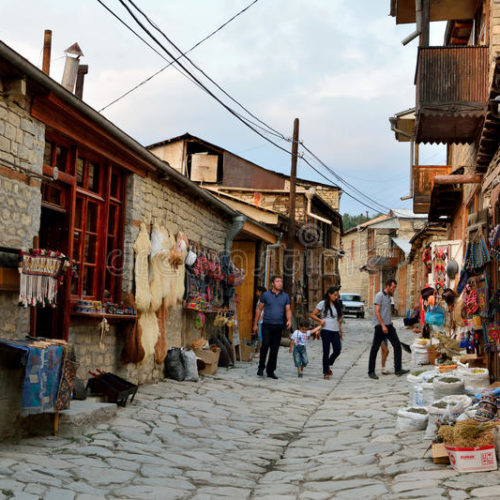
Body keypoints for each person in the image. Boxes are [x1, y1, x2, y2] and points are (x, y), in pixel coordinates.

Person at [368, 279, 409, 379]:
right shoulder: (379, 296)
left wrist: (389, 321)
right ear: (388, 286)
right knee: (375, 348)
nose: (394, 289)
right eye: (393, 287)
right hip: (380, 326)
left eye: (395, 287)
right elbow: (377, 312)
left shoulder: (389, 297)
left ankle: (398, 369)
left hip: (388, 325)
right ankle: (371, 372)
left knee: (397, 345)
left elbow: (387, 311)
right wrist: (382, 325)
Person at [253, 275, 292, 379]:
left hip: (278, 326)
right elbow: (259, 310)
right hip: (266, 325)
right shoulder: (265, 295)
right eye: (277, 281)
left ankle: (271, 371)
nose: (280, 283)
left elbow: (288, 309)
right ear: (272, 284)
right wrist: (255, 324)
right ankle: (261, 367)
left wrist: (289, 320)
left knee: (274, 349)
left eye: (281, 281)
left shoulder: (285, 296)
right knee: (265, 345)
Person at [311, 286, 343, 380]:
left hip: (335, 331)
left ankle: (328, 363)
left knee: (337, 350)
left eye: (337, 295)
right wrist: (320, 320)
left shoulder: (337, 304)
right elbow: (312, 315)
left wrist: (340, 331)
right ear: (329, 294)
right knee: (326, 351)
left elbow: (338, 319)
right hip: (325, 331)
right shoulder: (322, 303)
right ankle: (326, 372)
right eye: (334, 295)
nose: (336, 297)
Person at [253, 286, 267, 358]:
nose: (256, 293)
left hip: (261, 321)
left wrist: (261, 317)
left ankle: (261, 353)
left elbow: (264, 309)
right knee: (260, 337)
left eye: (257, 291)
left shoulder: (262, 299)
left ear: (260, 292)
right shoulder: (262, 299)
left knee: (261, 338)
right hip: (260, 320)